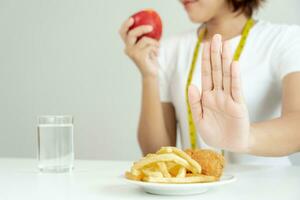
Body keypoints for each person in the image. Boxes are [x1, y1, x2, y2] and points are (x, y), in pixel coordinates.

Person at [119, 0, 300, 165]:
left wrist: (245, 137)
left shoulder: (285, 40)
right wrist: (149, 76)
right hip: (199, 192)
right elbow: (158, 155)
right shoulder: (169, 49)